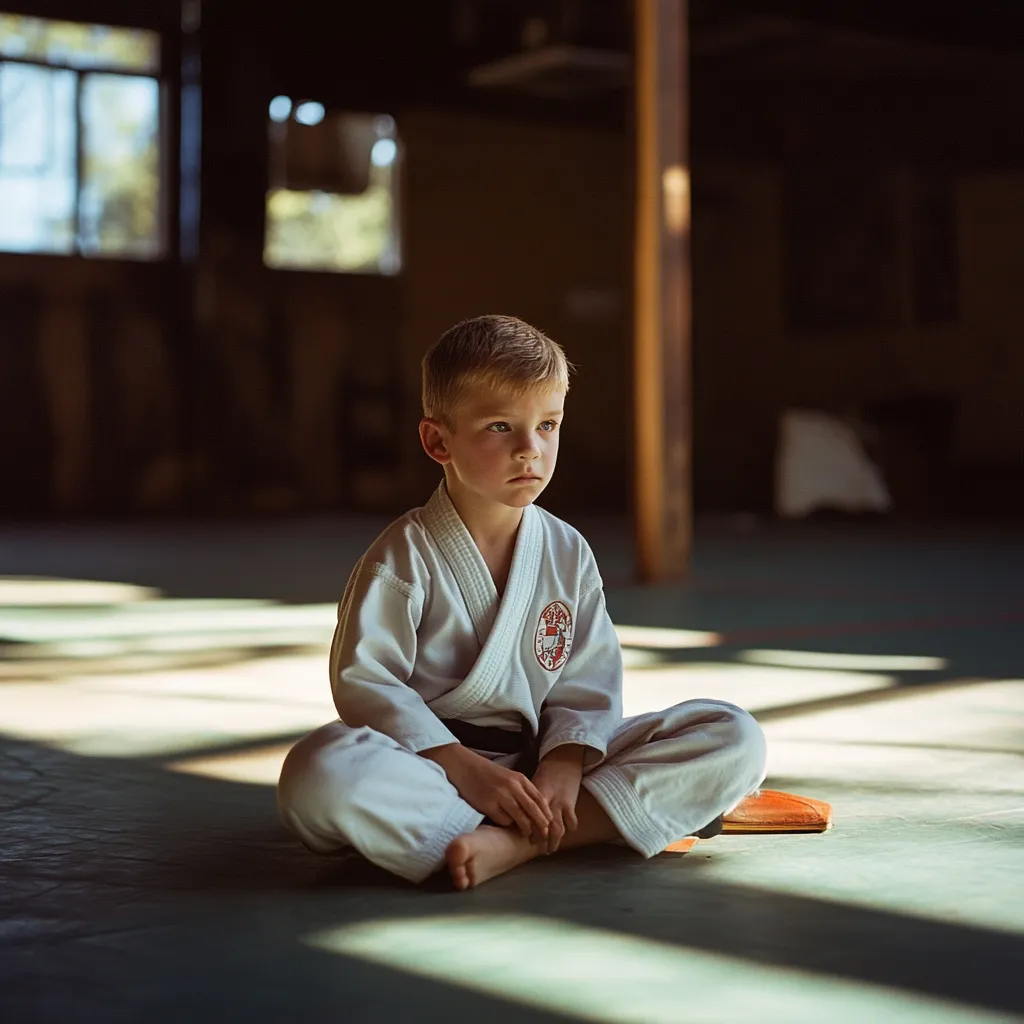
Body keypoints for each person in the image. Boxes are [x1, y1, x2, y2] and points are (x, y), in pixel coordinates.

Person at [277, 314, 767, 890]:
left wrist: (563, 766)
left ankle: (509, 843)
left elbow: (586, 683)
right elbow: (367, 685)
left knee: (734, 735)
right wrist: (463, 769)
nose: (529, 450)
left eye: (548, 425)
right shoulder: (402, 555)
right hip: (431, 769)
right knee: (318, 771)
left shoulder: (566, 551)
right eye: (500, 426)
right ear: (438, 441)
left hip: (539, 769)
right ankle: (568, 827)